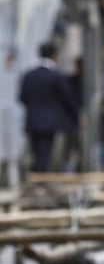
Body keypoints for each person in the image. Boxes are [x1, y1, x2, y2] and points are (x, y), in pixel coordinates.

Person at [17, 42, 77, 173]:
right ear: (54, 55)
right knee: (45, 154)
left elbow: (22, 98)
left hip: (32, 119)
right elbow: (67, 99)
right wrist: (75, 116)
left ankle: (37, 174)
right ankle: (40, 179)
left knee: (36, 151)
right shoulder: (57, 76)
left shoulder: (29, 75)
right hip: (50, 121)